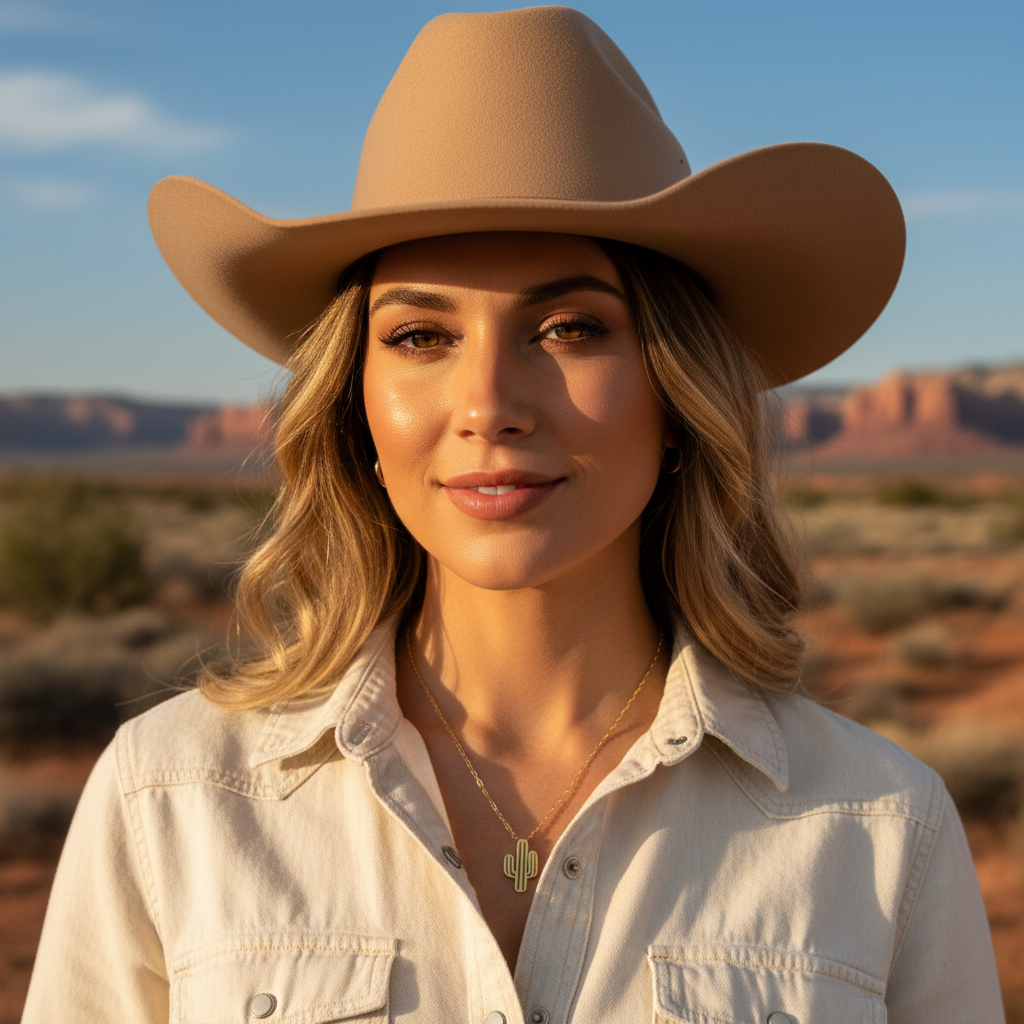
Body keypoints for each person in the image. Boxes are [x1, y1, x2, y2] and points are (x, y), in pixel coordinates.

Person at [24, 7, 1004, 1023]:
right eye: (418, 337)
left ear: (678, 394)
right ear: (354, 401)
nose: (488, 404)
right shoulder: (174, 798)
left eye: (570, 328)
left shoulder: (878, 826)